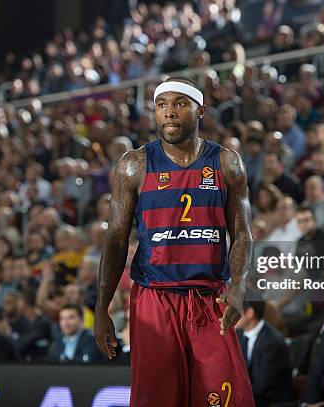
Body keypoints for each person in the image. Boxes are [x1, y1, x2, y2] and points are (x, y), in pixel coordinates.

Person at [95, 77, 255, 406]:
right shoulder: (133, 165)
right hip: (154, 301)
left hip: (209, 299)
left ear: (200, 112)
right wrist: (102, 306)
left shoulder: (226, 162)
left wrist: (238, 286)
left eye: (180, 104)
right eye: (162, 105)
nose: (169, 112)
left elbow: (242, 233)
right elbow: (115, 241)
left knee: (228, 398)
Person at [236, 297, 293, 406]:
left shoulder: (273, 342)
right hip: (252, 397)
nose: (228, 313)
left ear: (250, 313)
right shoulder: (239, 335)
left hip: (271, 401)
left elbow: (261, 386)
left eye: (235, 309)